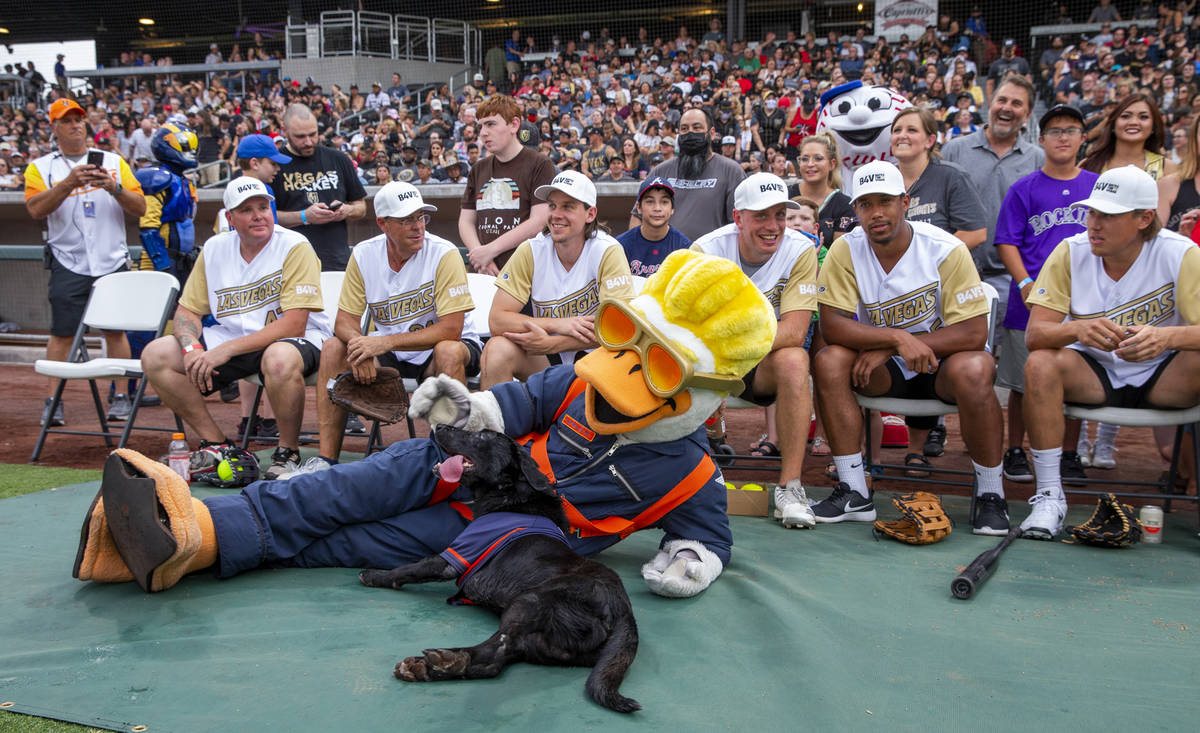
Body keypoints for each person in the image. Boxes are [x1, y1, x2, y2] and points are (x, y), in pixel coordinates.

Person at [73, 249, 782, 602]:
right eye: (630, 338)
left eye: (657, 360)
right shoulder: (579, 375)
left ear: (706, 390)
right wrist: (464, 408)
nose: (623, 366)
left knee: (361, 542)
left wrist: (690, 560)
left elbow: (709, 532)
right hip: (463, 459)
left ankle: (185, 549)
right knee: (338, 490)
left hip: (498, 531)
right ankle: (194, 526)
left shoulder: (693, 472)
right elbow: (520, 401)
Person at [811, 161, 1008, 535]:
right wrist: (896, 339)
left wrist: (895, 345)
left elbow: (972, 331)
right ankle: (854, 489)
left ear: (905, 202)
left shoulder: (945, 248)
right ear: (856, 211)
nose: (876, 213)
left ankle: (990, 493)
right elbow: (833, 325)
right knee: (829, 360)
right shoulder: (845, 249)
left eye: (885, 201)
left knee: (977, 367)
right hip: (881, 372)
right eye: (866, 204)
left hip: (943, 367)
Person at [1020, 165, 1200, 539]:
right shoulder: (1070, 250)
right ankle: (1050, 495)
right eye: (1092, 211)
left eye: (1108, 214)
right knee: (1040, 364)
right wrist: (1078, 329)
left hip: (1164, 374)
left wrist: (1167, 339)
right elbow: (1035, 335)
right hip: (1094, 374)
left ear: (1144, 218)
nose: (1094, 223)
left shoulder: (1181, 253)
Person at [279, 182, 482, 479]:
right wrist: (359, 347)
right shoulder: (364, 254)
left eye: (420, 217)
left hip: (448, 345)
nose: (417, 227)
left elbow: (451, 329)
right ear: (383, 224)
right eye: (406, 220)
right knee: (335, 347)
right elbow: (344, 323)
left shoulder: (444, 253)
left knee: (447, 350)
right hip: (391, 348)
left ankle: (454, 456)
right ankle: (326, 461)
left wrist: (381, 343)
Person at [139, 177, 331, 480]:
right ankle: (218, 444)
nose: (258, 215)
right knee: (156, 354)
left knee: (278, 358)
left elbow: (295, 322)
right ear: (230, 218)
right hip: (234, 336)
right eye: (246, 210)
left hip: (295, 339)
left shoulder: (294, 245)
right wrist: (191, 348)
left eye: (263, 207)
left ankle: (288, 451)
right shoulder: (215, 248)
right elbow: (187, 310)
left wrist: (222, 351)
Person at [691, 173, 819, 529]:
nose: (773, 225)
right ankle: (683, 480)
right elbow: (689, 330)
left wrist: (735, 347)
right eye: (761, 215)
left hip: (759, 362)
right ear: (738, 218)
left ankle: (790, 488)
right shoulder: (705, 251)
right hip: (710, 361)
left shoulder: (801, 250)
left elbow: (794, 332)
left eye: (780, 214)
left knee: (797, 360)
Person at [25, 98, 146, 427]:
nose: (76, 124)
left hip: (110, 258)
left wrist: (114, 187)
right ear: (54, 127)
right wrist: (68, 184)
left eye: (78, 118)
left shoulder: (113, 161)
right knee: (62, 333)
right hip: (69, 260)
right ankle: (54, 401)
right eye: (67, 120)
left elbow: (140, 206)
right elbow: (35, 209)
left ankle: (120, 396)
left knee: (115, 331)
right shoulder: (41, 167)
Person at [994, 105, 1098, 488]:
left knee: (1073, 379)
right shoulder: (1025, 187)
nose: (1063, 137)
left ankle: (1068, 453)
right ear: (1041, 140)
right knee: (1022, 382)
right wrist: (1025, 285)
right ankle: (1015, 449)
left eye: (1071, 129)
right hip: (1032, 301)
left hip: (1084, 300)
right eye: (1055, 131)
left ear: (1082, 137)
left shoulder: (1097, 186)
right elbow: (1007, 241)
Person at [1077, 93, 1177, 468]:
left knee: (1132, 337)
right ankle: (1084, 438)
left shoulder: (1165, 166)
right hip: (1096, 259)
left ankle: (1105, 441)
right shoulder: (1093, 163)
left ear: (1154, 124)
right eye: (1126, 115)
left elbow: (1161, 221)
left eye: (1143, 116)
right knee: (1093, 338)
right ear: (1114, 121)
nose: (1133, 121)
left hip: (1145, 260)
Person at [890, 105, 989, 472]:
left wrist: (922, 263)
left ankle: (936, 428)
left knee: (936, 351)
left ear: (931, 140)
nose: (902, 135)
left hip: (944, 289)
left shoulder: (949, 176)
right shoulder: (885, 178)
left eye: (912, 130)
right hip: (895, 291)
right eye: (897, 129)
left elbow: (975, 233)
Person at [480, 170, 635, 387]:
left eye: (568, 206)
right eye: (552, 205)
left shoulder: (607, 250)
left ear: (590, 214)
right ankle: (498, 421)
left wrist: (553, 343)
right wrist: (557, 324)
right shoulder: (531, 250)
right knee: (496, 349)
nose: (556, 214)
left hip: (598, 363)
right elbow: (497, 320)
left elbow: (621, 329)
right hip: (545, 361)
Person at [942, 75, 1044, 349]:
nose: (1007, 108)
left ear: (1028, 113)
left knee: (1004, 367)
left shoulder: (1037, 158)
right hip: (959, 273)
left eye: (1016, 103)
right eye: (1002, 100)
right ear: (990, 104)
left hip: (1012, 279)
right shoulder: (954, 150)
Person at [459, 95, 557, 276]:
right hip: (483, 273)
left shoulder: (540, 164)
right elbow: (465, 220)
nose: (483, 133)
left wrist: (490, 250)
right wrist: (480, 256)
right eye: (480, 126)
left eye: (491, 124)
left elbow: (539, 220)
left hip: (525, 274)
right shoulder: (478, 168)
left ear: (514, 125)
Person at [270, 104, 368, 272]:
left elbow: (361, 207)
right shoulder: (275, 164)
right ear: (285, 131)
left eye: (313, 134)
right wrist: (304, 216)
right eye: (300, 136)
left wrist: (346, 210)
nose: (308, 142)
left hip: (336, 261)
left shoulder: (338, 159)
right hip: (289, 263)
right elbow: (268, 217)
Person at [633, 108, 746, 241]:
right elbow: (638, 216)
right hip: (666, 258)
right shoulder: (661, 171)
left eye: (697, 128)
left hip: (711, 258)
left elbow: (741, 224)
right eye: (684, 128)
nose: (690, 133)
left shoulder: (731, 172)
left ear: (712, 133)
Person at [617, 176, 691, 277]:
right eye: (650, 201)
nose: (657, 208)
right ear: (638, 207)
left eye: (664, 202)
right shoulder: (621, 245)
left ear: (672, 208)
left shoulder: (684, 247)